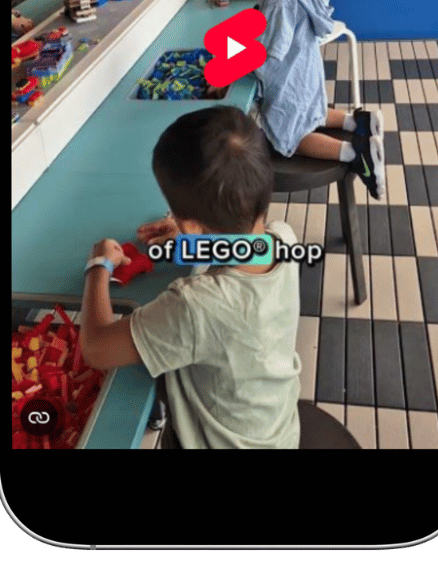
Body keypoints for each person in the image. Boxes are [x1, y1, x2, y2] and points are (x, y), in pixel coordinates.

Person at [79, 107, 302, 449]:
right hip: (277, 432)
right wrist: (190, 238)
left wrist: (98, 266)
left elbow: (96, 349)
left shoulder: (195, 305)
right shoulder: (283, 237)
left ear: (193, 224)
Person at [240, 0, 384, 198]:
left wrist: (231, 64)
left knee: (292, 136)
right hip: (305, 69)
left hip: (288, 77)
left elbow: (268, 55)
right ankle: (360, 121)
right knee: (312, 111)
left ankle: (356, 152)